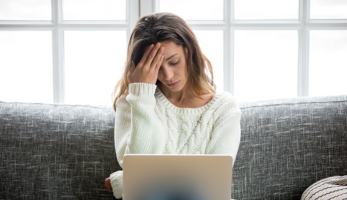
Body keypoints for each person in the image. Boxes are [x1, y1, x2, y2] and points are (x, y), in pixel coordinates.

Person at [105, 12, 242, 199]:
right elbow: (139, 169)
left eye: (174, 62)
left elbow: (213, 184)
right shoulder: (133, 102)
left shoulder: (224, 109)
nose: (167, 75)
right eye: (157, 68)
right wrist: (141, 95)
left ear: (189, 51)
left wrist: (123, 182)